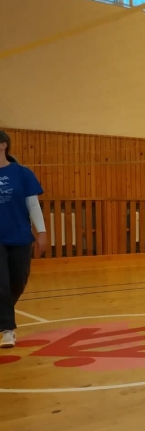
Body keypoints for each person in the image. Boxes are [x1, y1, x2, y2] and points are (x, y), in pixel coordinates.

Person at [0, 130, 47, 348]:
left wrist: (41, 232)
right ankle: (7, 330)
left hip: (20, 236)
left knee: (18, 281)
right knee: (1, 283)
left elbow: (33, 205)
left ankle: (3, 316)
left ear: (3, 145)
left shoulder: (22, 173)